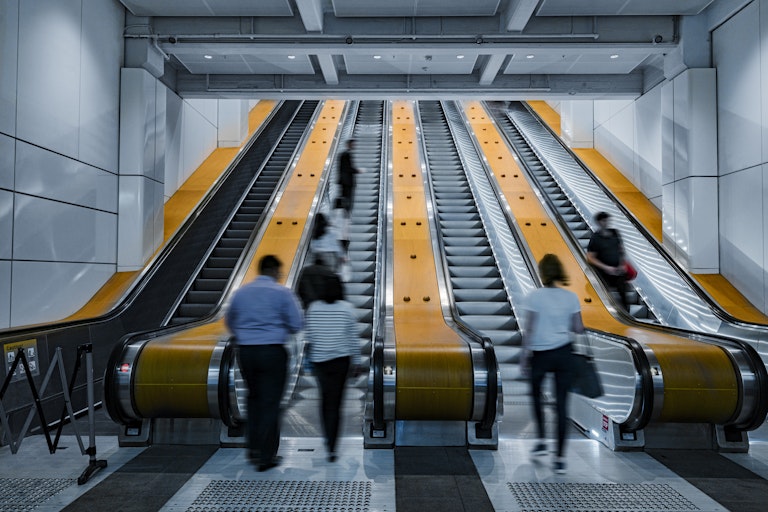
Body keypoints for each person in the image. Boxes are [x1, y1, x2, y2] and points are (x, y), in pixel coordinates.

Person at [225, 255, 303, 471]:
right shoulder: (283, 293)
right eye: (279, 272)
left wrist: (247, 333)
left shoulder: (240, 293)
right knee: (270, 403)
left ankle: (252, 449)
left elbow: (230, 321)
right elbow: (297, 324)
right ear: (275, 271)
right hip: (272, 352)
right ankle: (266, 457)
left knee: (253, 398)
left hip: (246, 353)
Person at [521, 254, 584, 475]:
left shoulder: (534, 297)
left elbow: (529, 329)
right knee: (562, 405)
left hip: (540, 355)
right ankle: (559, 458)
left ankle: (540, 439)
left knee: (536, 396)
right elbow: (578, 328)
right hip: (564, 353)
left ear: (542, 273)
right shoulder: (571, 297)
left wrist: (524, 356)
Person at [304, 273, 362, 462]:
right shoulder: (347, 309)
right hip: (340, 362)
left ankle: (327, 440)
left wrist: (309, 360)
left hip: (319, 361)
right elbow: (353, 339)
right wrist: (358, 362)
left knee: (325, 401)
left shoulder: (313, 308)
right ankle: (332, 448)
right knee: (336, 404)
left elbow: (310, 336)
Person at [586, 211, 630, 311]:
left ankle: (627, 313)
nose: (606, 222)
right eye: (603, 220)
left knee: (623, 292)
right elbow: (590, 257)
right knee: (604, 293)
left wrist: (622, 264)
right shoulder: (596, 238)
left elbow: (621, 249)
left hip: (618, 270)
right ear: (598, 222)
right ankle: (608, 312)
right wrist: (606, 268)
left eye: (607, 220)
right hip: (603, 272)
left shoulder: (615, 233)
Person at [337, 139, 361, 215]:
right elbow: (347, 168)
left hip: (344, 181)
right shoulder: (346, 154)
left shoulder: (344, 154)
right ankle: (346, 215)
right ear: (348, 145)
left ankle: (345, 214)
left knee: (345, 198)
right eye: (352, 144)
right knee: (348, 199)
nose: (354, 146)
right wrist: (356, 170)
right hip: (347, 181)